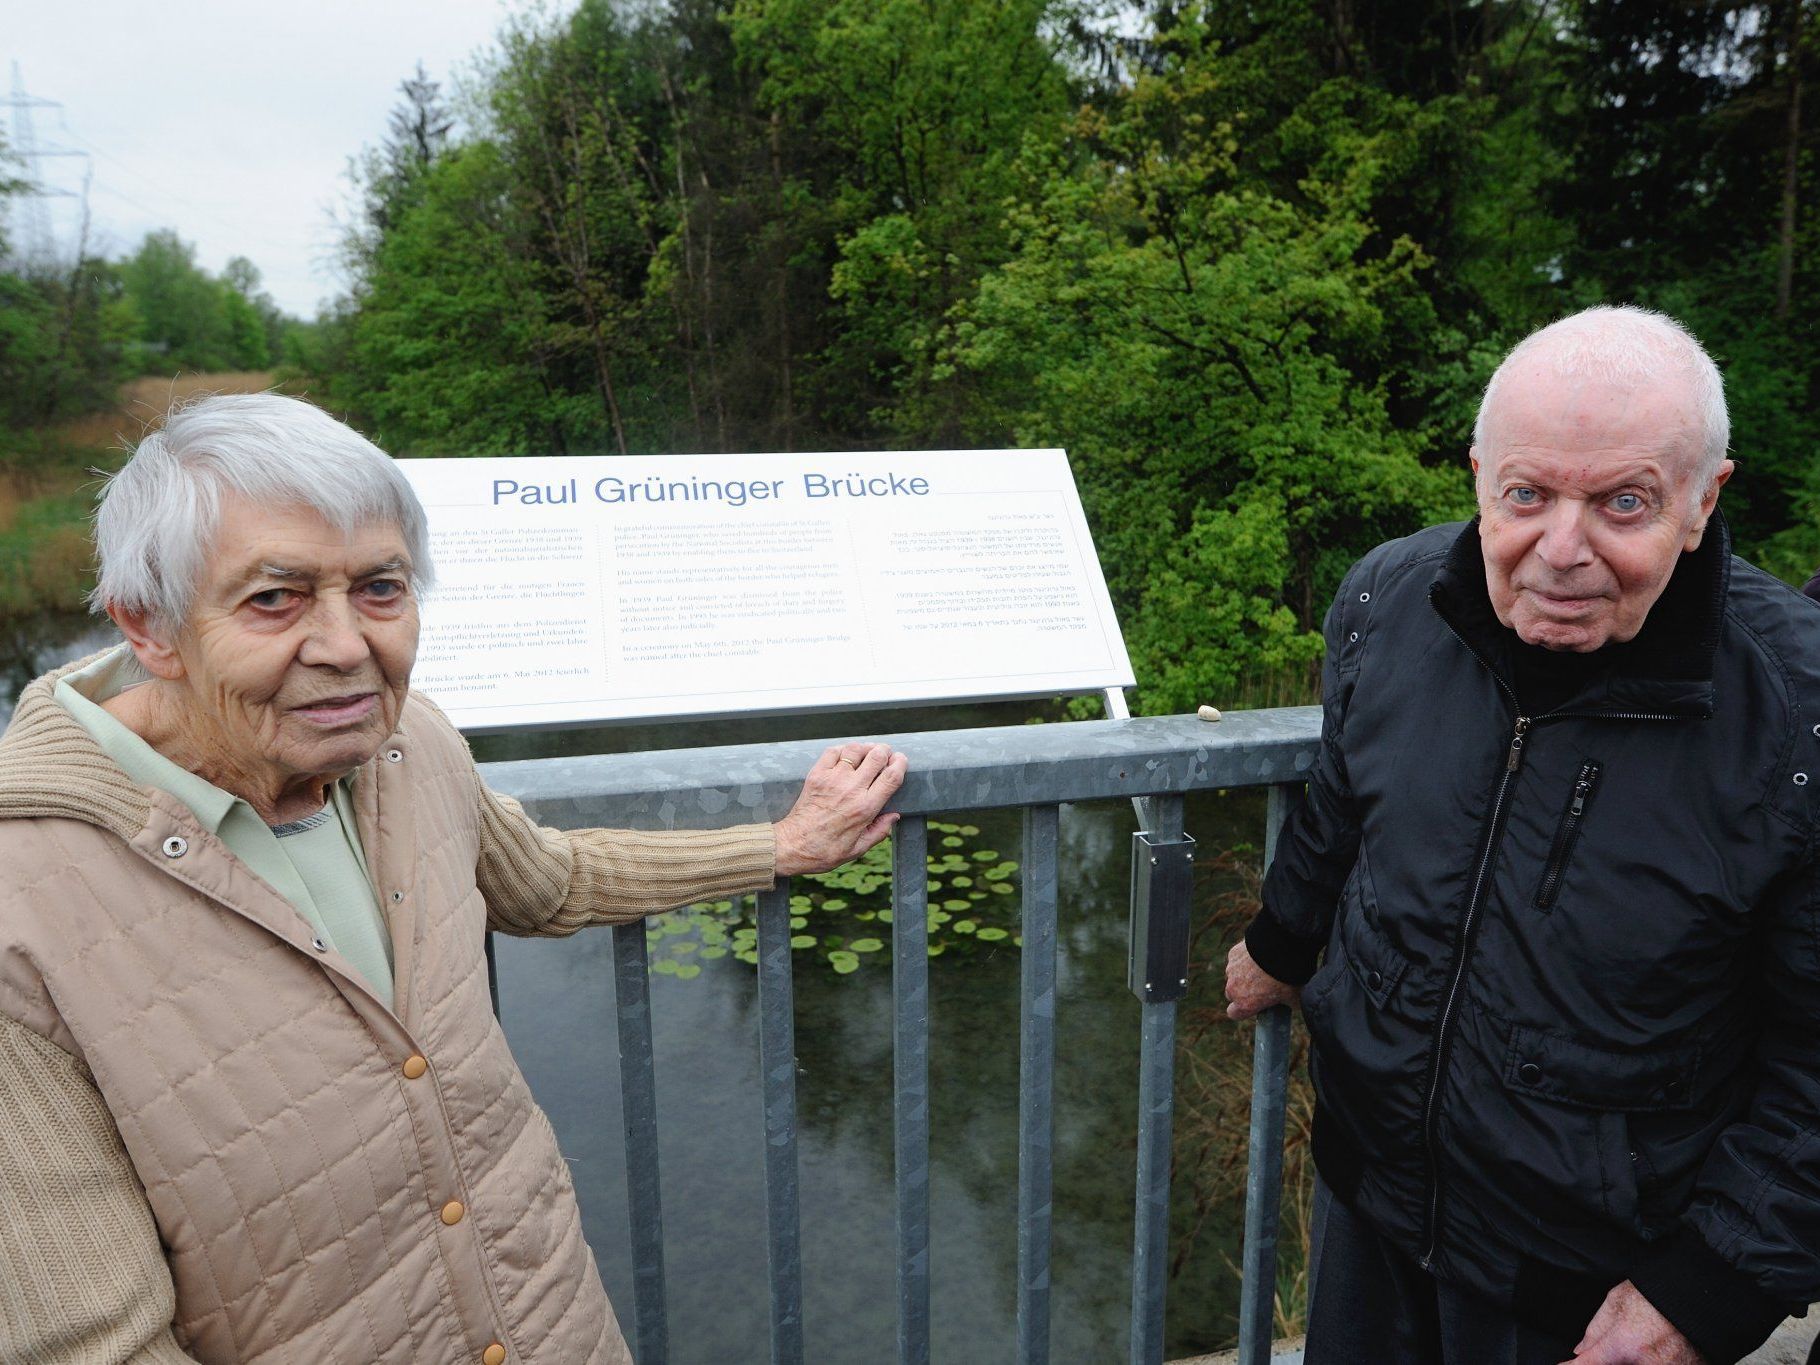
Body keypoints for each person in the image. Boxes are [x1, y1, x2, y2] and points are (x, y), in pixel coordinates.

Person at [0, 393, 907, 1364]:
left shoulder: (408, 746)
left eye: (381, 588)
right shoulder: (27, 906)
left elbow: (549, 881)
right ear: (151, 628)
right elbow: (93, 1346)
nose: (349, 646)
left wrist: (779, 845)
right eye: (276, 598)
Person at [1224, 306, 1820, 1365]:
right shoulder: (1390, 599)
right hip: (1373, 1203)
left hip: (1585, 1281)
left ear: (1699, 502)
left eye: (1620, 503)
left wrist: (1710, 1284)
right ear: (1476, 478)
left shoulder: (1792, 712)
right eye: (1525, 494)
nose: (1560, 550)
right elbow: (1339, 808)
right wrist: (1278, 945)